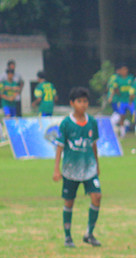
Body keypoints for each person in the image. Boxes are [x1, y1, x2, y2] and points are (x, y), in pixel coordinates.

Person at [52, 87, 102, 248]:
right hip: (70, 170)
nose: (83, 104)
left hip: (89, 168)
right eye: (79, 101)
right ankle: (67, 237)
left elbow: (93, 144)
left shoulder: (92, 122)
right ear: (72, 103)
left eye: (85, 101)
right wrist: (56, 169)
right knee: (69, 202)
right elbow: (60, 147)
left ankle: (89, 233)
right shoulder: (66, 124)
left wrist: (97, 164)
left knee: (97, 196)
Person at [107, 64, 134, 138]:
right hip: (119, 100)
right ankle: (118, 129)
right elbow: (113, 88)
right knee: (120, 115)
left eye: (126, 69)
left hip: (129, 101)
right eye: (123, 69)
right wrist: (111, 97)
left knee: (134, 114)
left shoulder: (130, 78)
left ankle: (126, 127)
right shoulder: (116, 78)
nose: (125, 71)